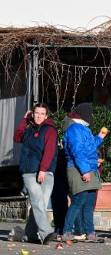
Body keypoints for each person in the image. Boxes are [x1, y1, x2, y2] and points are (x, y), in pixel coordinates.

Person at [12, 103, 58, 244]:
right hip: (29, 171)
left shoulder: (50, 130)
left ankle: (30, 235)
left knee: (41, 205)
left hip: (46, 171)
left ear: (46, 115)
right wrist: (24, 120)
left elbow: (49, 151)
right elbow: (17, 137)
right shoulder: (29, 128)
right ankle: (47, 233)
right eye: (36, 113)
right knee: (37, 201)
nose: (38, 116)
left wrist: (43, 170)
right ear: (32, 114)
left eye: (42, 113)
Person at [61, 110, 107, 243]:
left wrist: (100, 137)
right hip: (79, 169)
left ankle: (90, 233)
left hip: (89, 168)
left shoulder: (82, 129)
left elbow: (89, 147)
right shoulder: (75, 128)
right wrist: (85, 170)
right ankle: (67, 231)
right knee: (79, 201)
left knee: (89, 203)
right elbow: (77, 151)